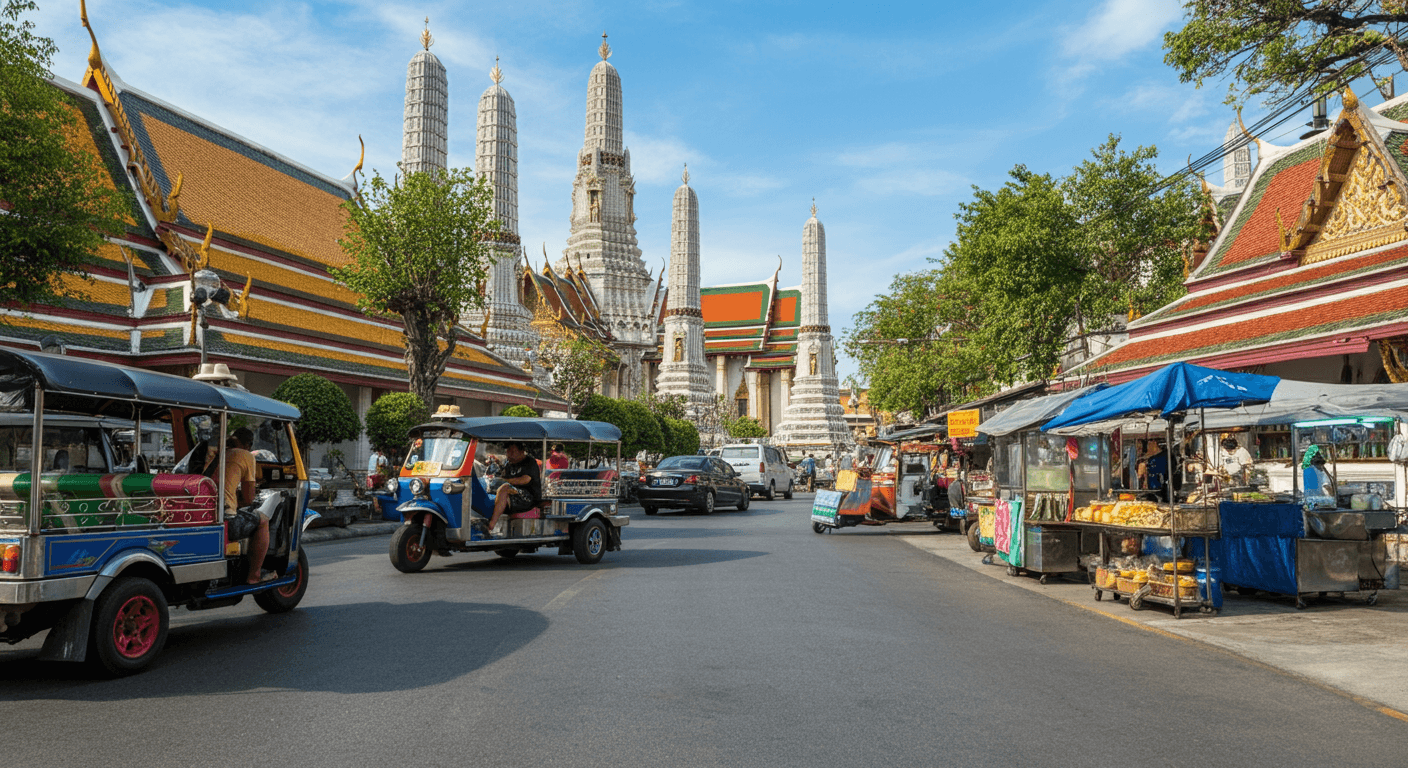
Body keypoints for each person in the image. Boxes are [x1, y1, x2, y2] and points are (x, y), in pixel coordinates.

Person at [207, 427, 270, 584]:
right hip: (226, 519)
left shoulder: (216, 453)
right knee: (262, 521)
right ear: (248, 445)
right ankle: (254, 575)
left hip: (205, 512)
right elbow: (249, 499)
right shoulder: (246, 455)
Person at [488, 441, 542, 537]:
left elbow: (525, 480)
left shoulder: (530, 462)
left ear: (522, 452)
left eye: (513, 451)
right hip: (514, 495)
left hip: (528, 498)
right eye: (508, 451)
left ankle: (491, 525)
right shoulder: (509, 464)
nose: (509, 454)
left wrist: (504, 480)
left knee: (504, 488)